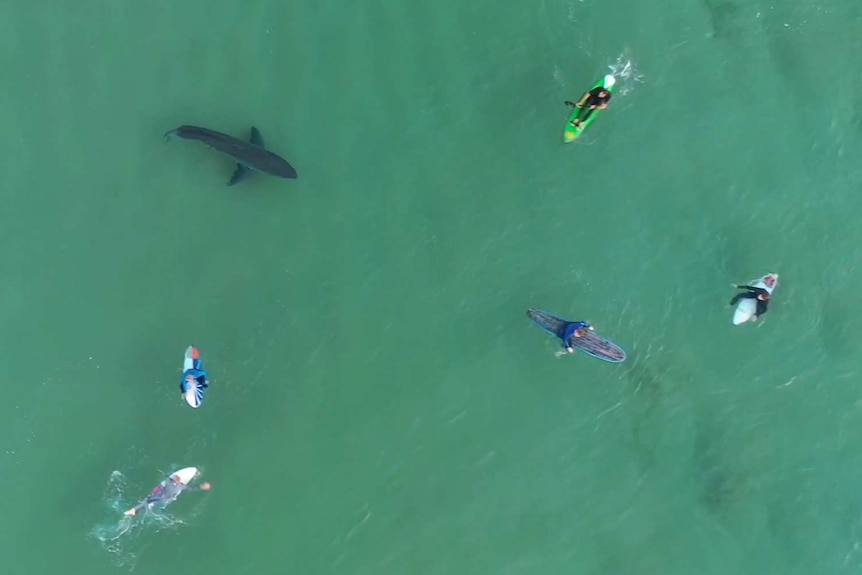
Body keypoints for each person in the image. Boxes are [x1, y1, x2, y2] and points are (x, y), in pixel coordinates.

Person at [124, 475, 212, 517]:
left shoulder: (168, 482)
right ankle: (137, 511)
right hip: (166, 500)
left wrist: (169, 477)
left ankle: (133, 510)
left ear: (173, 479)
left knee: (146, 501)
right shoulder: (181, 486)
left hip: (160, 497)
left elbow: (166, 477)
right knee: (151, 503)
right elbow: (192, 488)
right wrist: (201, 487)